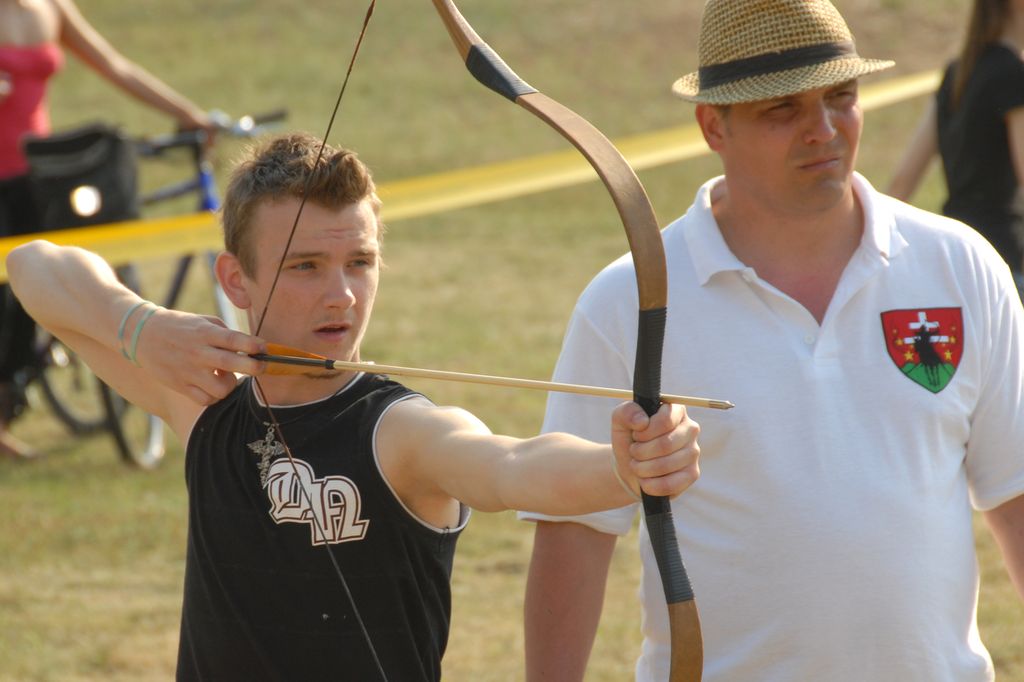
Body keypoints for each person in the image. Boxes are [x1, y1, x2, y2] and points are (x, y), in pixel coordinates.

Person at [6, 132, 701, 680]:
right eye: (305, 266)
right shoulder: (204, 402)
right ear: (235, 280)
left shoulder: (399, 431)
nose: (340, 294)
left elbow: (509, 466)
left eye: (359, 263)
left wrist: (622, 468)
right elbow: (32, 266)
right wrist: (142, 327)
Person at [520, 1, 1024, 680]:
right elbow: (574, 533)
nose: (824, 130)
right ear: (713, 126)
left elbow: (1016, 492)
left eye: (841, 97)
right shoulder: (629, 301)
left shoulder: (960, 266)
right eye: (782, 109)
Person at [0, 0, 214, 459]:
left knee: (39, 290)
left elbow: (113, 64)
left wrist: (186, 112)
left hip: (37, 176)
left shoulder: (49, 7)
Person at [887, 0, 1024, 293]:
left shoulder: (956, 72)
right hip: (1005, 264)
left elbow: (900, 183)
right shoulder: (1013, 75)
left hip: (953, 260)